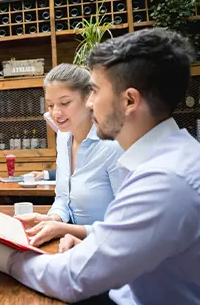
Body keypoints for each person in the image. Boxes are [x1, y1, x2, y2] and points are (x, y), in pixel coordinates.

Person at [0, 28, 200, 304]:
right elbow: (125, 231)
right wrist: (88, 239)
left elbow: (72, 279)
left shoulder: (165, 180)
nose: (89, 102)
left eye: (95, 91)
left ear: (130, 100)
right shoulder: (170, 158)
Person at [19, 63, 124, 246]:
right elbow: (63, 198)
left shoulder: (113, 145)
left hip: (110, 250)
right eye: (50, 105)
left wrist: (66, 229)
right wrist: (53, 218)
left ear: (89, 98)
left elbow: (128, 224)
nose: (56, 113)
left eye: (65, 103)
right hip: (71, 244)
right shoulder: (64, 136)